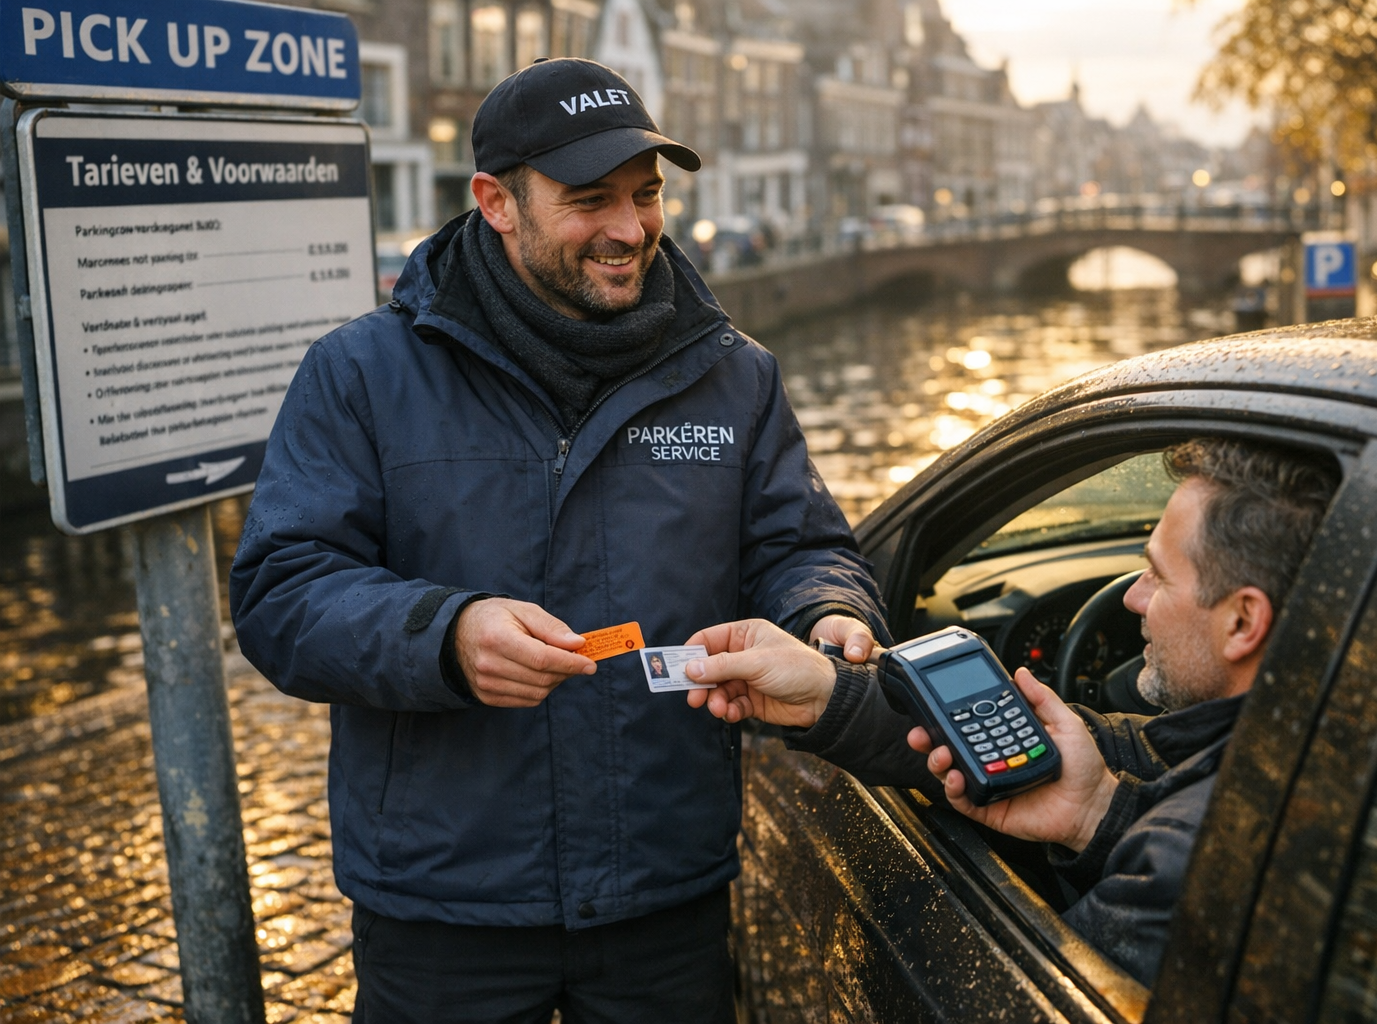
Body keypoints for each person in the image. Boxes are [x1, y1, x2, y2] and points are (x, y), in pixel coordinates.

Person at [230, 57, 886, 1023]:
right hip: (446, 904)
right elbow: (281, 592)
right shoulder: (359, 374)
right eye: (590, 200)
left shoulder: (736, 376)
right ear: (496, 202)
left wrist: (827, 612)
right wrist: (445, 637)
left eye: (645, 194)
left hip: (663, 887)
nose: (630, 229)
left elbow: (800, 546)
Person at [682, 438, 1340, 985]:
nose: (1133, 599)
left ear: (1243, 621)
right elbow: (1142, 752)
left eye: (1158, 577)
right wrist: (1098, 816)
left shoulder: (1187, 872)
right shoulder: (1294, 739)